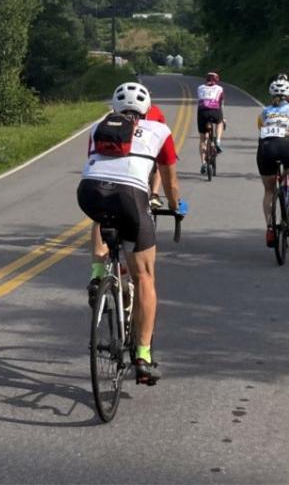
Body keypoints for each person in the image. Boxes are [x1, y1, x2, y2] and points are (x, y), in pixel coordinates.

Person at [78, 82, 185, 385]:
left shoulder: (97, 128)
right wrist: (176, 207)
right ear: (147, 109)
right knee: (145, 277)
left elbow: (97, 166)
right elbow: (170, 182)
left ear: (115, 108)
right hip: (131, 198)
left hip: (87, 192)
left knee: (101, 215)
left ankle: (98, 273)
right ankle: (143, 355)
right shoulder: (159, 131)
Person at [256, 79, 289, 247]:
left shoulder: (264, 112)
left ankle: (270, 228)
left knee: (269, 191)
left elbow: (263, 132)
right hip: (288, 145)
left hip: (267, 148)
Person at [196, 71, 226, 174]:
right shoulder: (220, 89)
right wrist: (223, 117)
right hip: (215, 111)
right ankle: (217, 141)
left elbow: (200, 100)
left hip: (202, 112)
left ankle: (203, 163)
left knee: (202, 139)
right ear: (216, 80)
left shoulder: (200, 88)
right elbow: (221, 104)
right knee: (220, 122)